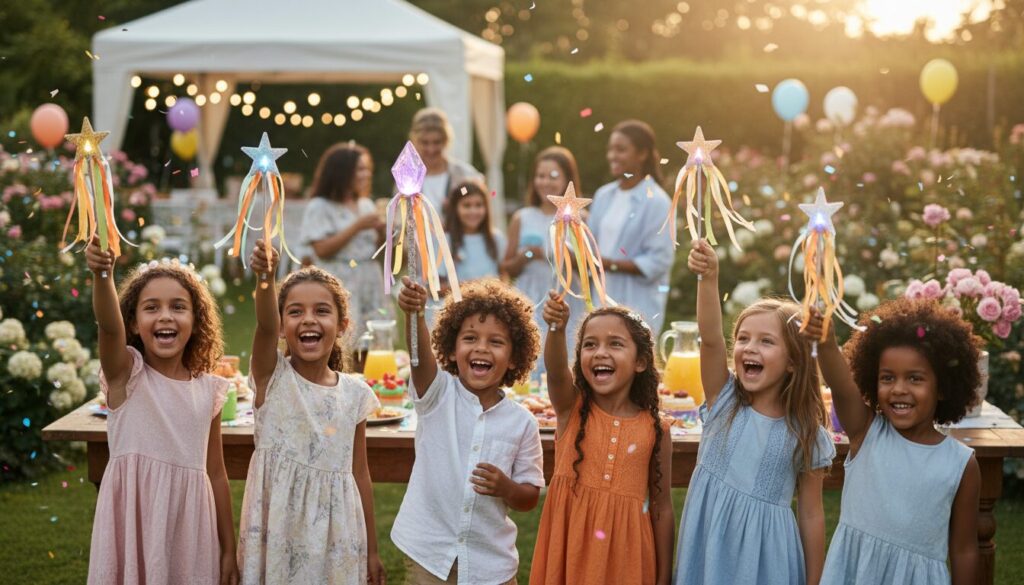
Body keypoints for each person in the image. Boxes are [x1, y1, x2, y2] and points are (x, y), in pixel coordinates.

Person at [674, 240, 834, 585]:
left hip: (767, 562)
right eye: (744, 338)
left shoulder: (805, 431)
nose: (749, 347)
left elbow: (811, 514)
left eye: (766, 341)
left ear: (793, 362)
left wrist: (815, 580)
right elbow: (712, 338)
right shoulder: (725, 400)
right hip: (708, 552)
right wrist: (709, 278)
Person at [84, 241, 238, 585]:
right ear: (134, 324)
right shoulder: (126, 374)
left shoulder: (208, 390)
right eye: (151, 307)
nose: (165, 316)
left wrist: (228, 549)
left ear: (196, 322)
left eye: (178, 307)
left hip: (190, 528)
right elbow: (109, 328)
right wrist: (102, 275)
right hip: (135, 522)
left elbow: (216, 473)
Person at [237, 244, 385, 585]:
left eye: (321, 311)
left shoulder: (355, 395)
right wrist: (264, 279)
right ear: (279, 324)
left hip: (337, 539)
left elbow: (360, 475)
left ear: (343, 324)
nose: (308, 320)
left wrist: (371, 551)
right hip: (277, 534)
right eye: (294, 312)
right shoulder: (271, 378)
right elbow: (262, 325)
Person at [808, 298, 981, 585]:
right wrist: (826, 342)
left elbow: (964, 550)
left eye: (915, 379)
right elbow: (840, 384)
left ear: (942, 388)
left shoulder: (961, 464)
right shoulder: (866, 432)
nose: (899, 389)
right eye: (887, 378)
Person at [393, 277, 544, 585]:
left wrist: (506, 487)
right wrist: (415, 315)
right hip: (429, 555)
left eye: (496, 341)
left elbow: (529, 497)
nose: (482, 348)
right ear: (450, 350)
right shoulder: (437, 396)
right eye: (470, 338)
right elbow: (419, 357)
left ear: (515, 357)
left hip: (491, 564)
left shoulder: (523, 423)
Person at [530, 295, 674, 585]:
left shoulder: (656, 429)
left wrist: (663, 576)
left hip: (628, 560)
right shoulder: (572, 408)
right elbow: (557, 372)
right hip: (570, 552)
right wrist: (557, 329)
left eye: (615, 344)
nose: (599, 352)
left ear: (641, 362)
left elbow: (662, 507)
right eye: (590, 344)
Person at [587, 120, 675, 334]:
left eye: (621, 149)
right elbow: (591, 243)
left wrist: (609, 265)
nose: (612, 156)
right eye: (610, 150)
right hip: (600, 299)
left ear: (642, 154)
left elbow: (659, 260)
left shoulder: (657, 201)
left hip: (637, 304)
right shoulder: (603, 195)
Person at [502, 146, 586, 366]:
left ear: (568, 180)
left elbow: (588, 266)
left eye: (553, 176)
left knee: (564, 354)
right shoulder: (523, 217)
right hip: (530, 294)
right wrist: (527, 255)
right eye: (540, 176)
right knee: (530, 353)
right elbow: (507, 266)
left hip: (564, 296)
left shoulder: (578, 217)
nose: (545, 182)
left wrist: (557, 253)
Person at [300, 142, 391, 342]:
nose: (366, 175)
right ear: (342, 172)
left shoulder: (366, 204)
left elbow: (376, 252)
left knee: (374, 340)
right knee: (345, 338)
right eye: (360, 169)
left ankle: (372, 374)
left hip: (370, 278)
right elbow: (322, 250)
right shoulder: (320, 207)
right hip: (340, 279)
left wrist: (383, 234)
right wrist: (357, 226)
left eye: (368, 169)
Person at [407, 107, 483, 213]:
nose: (431, 149)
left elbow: (476, 191)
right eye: (425, 143)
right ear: (415, 142)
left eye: (437, 142)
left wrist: (458, 197)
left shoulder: (462, 173)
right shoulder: (407, 177)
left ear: (446, 141)